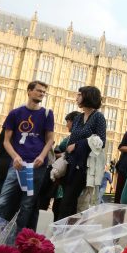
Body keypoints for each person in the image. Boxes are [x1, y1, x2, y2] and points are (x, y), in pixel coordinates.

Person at [0, 82, 55, 237]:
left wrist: (42, 156)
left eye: (44, 92)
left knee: (27, 206)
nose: (41, 94)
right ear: (29, 91)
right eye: (38, 91)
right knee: (1, 203)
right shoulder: (15, 113)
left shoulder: (47, 114)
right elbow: (6, 141)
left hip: (36, 167)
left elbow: (50, 139)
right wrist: (15, 156)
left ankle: (17, 241)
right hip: (17, 165)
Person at [53, 86, 106, 221]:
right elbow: (72, 138)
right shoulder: (78, 117)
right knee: (66, 202)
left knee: (68, 202)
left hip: (84, 166)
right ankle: (66, 233)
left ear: (88, 96)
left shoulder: (98, 117)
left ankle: (62, 233)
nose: (76, 98)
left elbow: (101, 142)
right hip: (70, 164)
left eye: (79, 95)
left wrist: (77, 145)